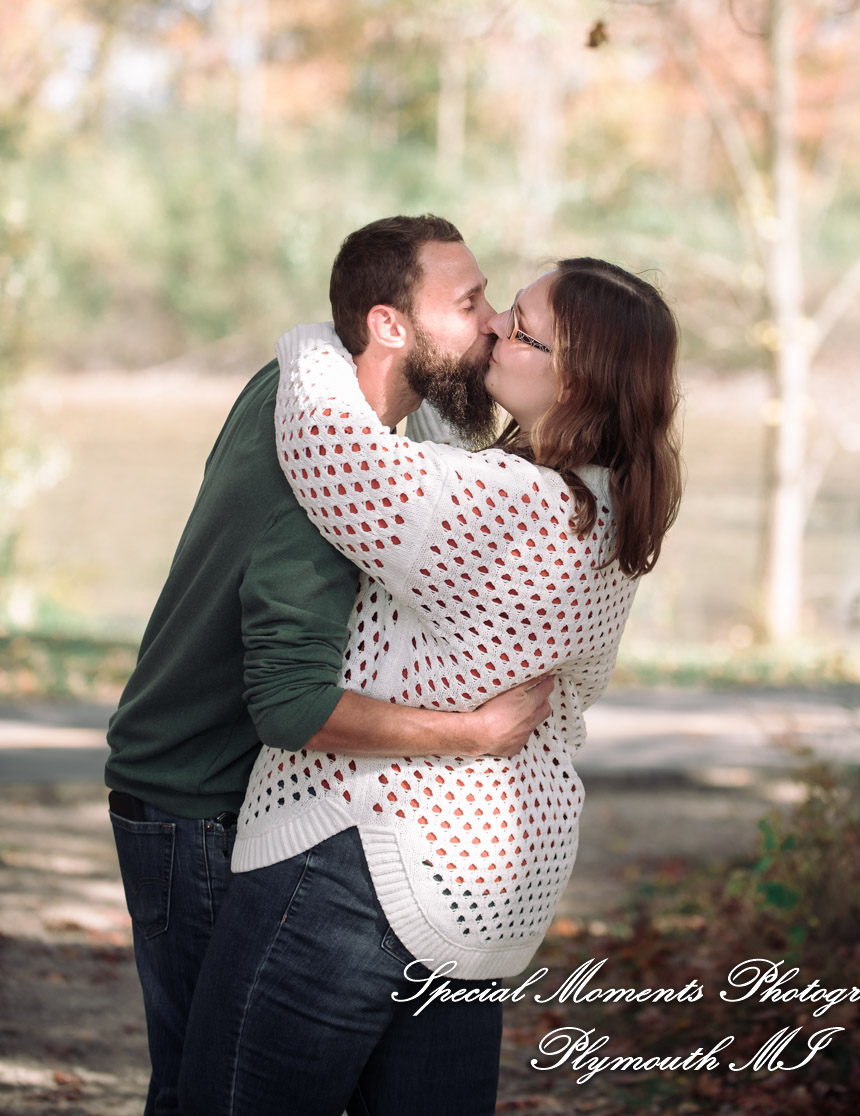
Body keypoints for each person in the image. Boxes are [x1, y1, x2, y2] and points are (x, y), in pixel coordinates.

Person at [179, 256, 683, 1116]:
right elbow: (449, 469)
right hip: (487, 887)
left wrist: (320, 337)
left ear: (577, 382)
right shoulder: (599, 510)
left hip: (361, 859)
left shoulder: (511, 508)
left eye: (519, 328)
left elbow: (336, 454)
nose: (493, 328)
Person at [105, 214, 554, 1116]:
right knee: (207, 1088)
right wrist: (470, 734)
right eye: (468, 304)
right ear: (389, 326)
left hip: (250, 787)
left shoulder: (362, 408)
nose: (492, 325)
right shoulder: (317, 481)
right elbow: (293, 703)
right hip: (201, 792)